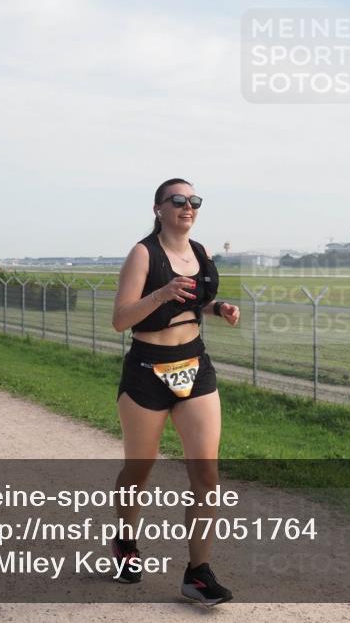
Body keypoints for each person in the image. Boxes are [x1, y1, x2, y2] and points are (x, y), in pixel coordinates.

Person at [111, 178, 240, 605]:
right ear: (158, 208)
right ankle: (126, 543)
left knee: (206, 473)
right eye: (179, 200)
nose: (188, 207)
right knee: (138, 472)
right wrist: (161, 292)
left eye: (194, 201)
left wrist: (216, 307)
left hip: (195, 367)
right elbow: (121, 318)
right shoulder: (143, 254)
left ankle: (197, 573)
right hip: (147, 372)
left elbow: (192, 301)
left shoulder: (200, 253)